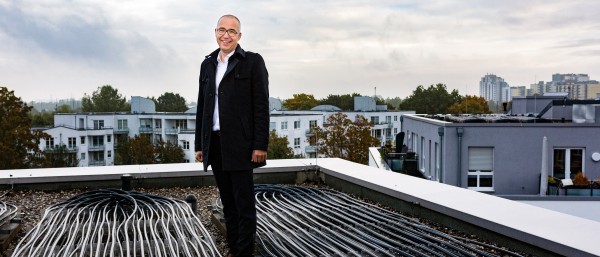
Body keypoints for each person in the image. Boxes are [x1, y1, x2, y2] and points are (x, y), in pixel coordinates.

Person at [195, 14, 269, 257]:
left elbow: (261, 105)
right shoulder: (207, 65)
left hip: (241, 144)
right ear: (215, 32)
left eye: (231, 31)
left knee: (244, 204)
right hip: (214, 143)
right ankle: (235, 248)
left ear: (239, 36)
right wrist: (200, 144)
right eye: (221, 30)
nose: (226, 35)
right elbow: (202, 106)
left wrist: (260, 144)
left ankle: (244, 252)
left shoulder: (252, 62)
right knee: (227, 202)